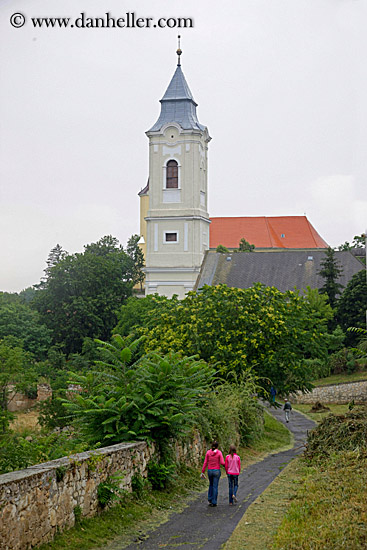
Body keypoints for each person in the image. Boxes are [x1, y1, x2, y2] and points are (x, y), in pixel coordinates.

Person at [201, 440, 225, 507]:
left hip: (210, 471)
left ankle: (210, 498)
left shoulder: (208, 452)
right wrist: (226, 465)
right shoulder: (219, 453)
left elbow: (205, 462)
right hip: (217, 471)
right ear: (217, 446)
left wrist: (202, 471)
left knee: (211, 485)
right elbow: (222, 462)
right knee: (215, 486)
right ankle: (214, 502)